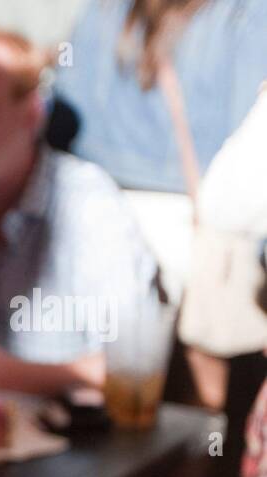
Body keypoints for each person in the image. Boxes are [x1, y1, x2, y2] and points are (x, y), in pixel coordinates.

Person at [55, 0, 267, 411]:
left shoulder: (102, 13)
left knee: (111, 393)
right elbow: (250, 147)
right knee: (192, 405)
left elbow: (62, 122)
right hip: (193, 226)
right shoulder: (244, 13)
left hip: (96, 216)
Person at [0, 22, 158, 398]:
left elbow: (134, 365)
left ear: (32, 113)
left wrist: (6, 374)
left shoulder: (87, 206)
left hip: (77, 445)